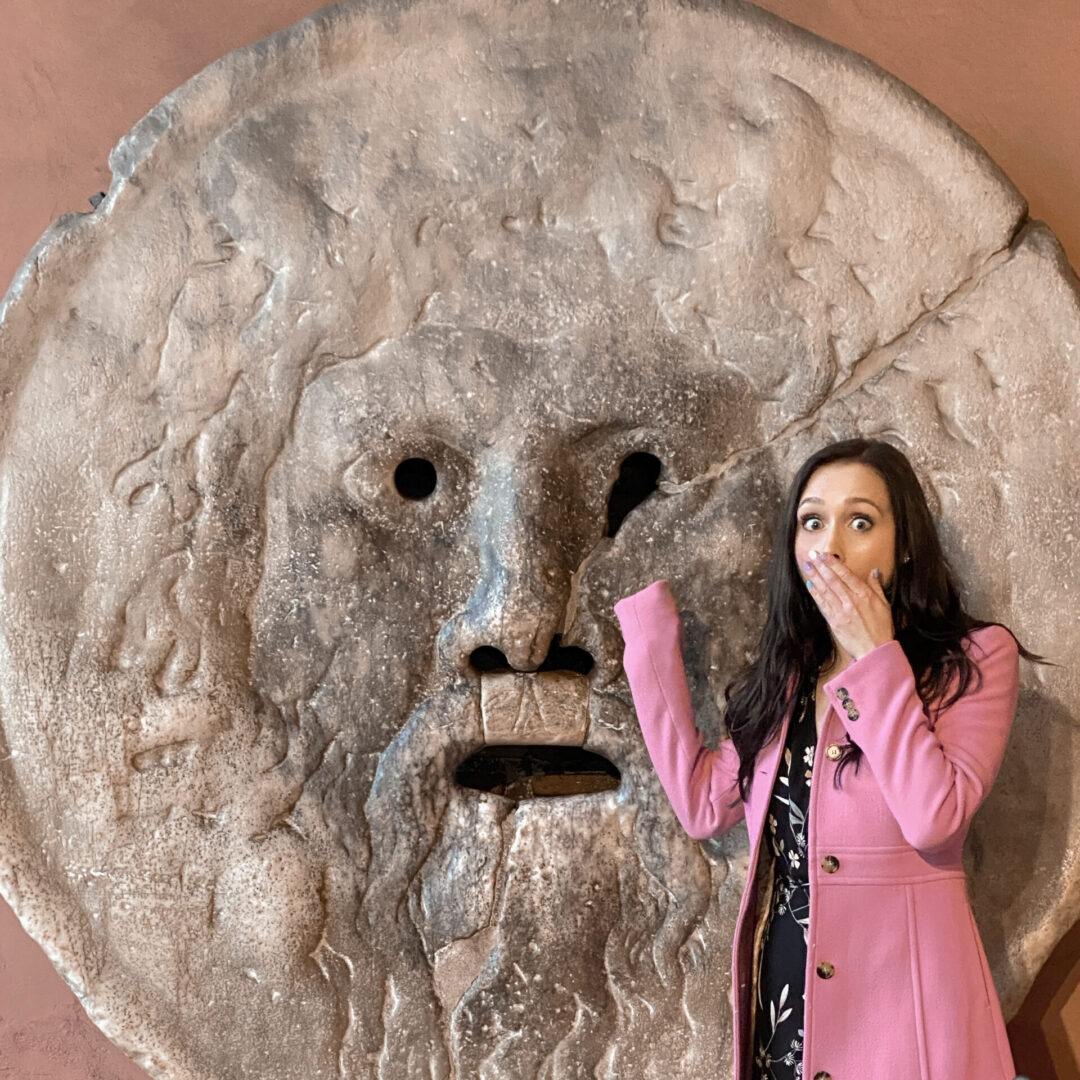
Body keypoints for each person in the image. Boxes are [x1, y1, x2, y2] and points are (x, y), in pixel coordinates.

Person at [613, 438, 1043, 1080]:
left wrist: (875, 657)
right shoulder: (792, 678)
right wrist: (650, 639)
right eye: (812, 522)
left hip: (906, 1017)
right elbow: (705, 806)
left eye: (860, 521)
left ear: (903, 544)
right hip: (787, 1002)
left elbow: (935, 818)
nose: (829, 546)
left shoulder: (974, 660)